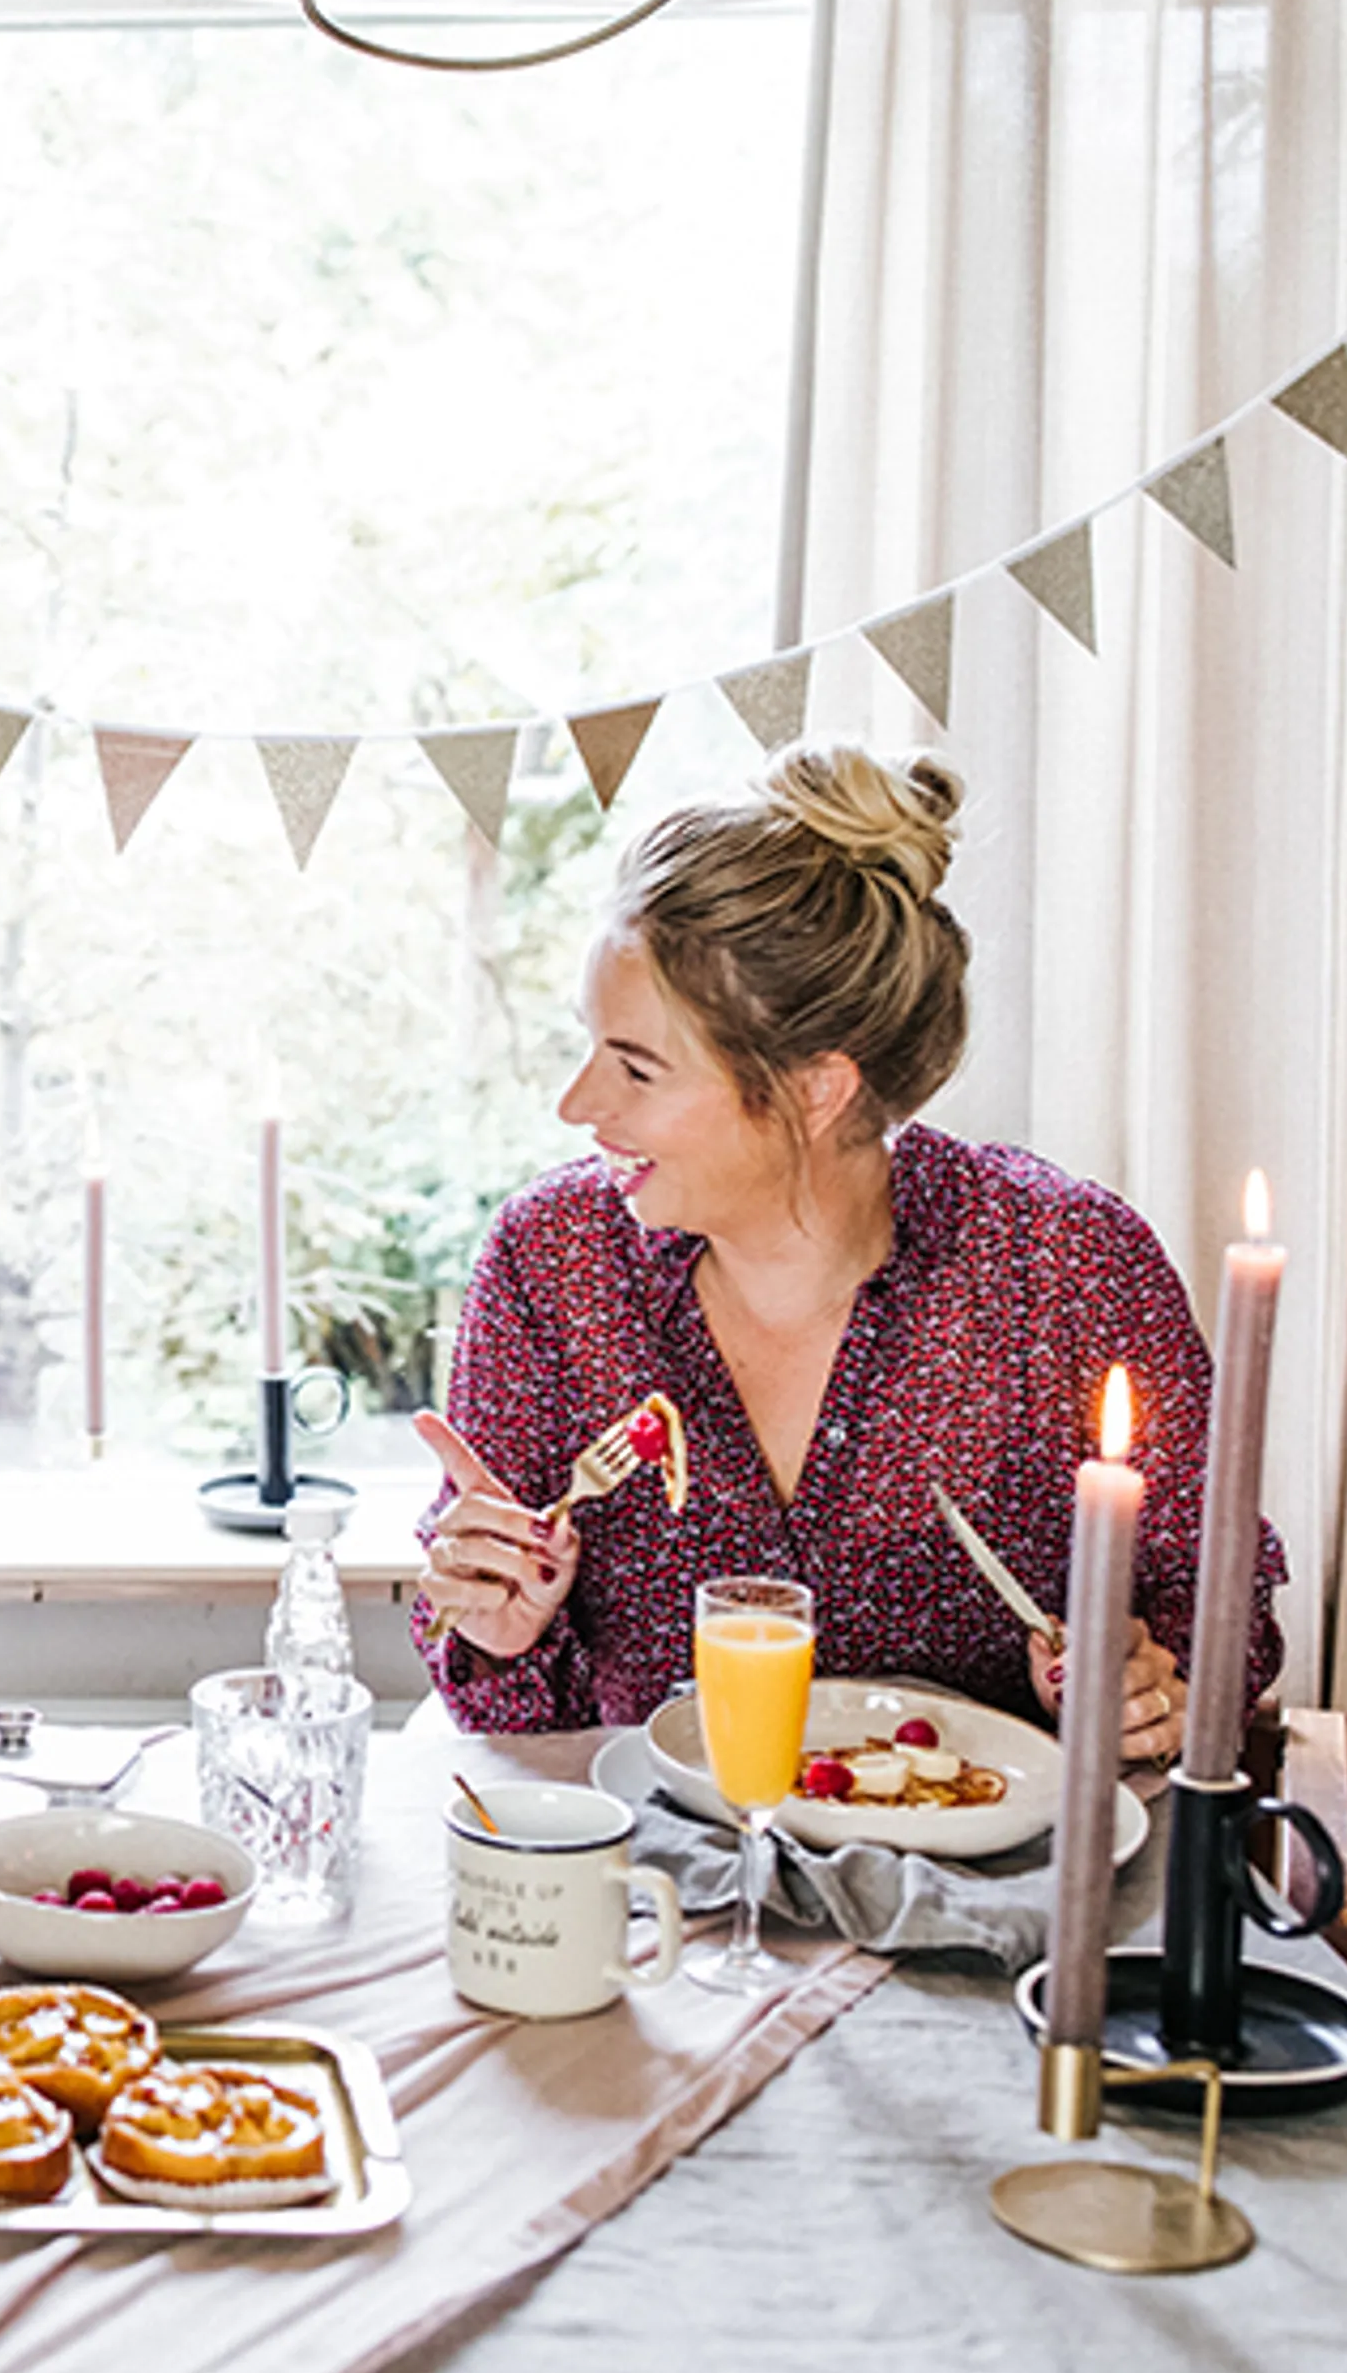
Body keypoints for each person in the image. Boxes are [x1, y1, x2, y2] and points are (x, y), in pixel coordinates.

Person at [409, 743, 1281, 1755]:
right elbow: (520, 1733)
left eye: (637, 1069)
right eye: (588, 1044)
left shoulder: (1066, 1264)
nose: (576, 1104)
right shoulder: (551, 1264)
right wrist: (501, 1635)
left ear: (817, 1088)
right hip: (658, 1856)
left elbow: (1220, 1614)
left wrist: (1149, 1683)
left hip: (995, 1854)